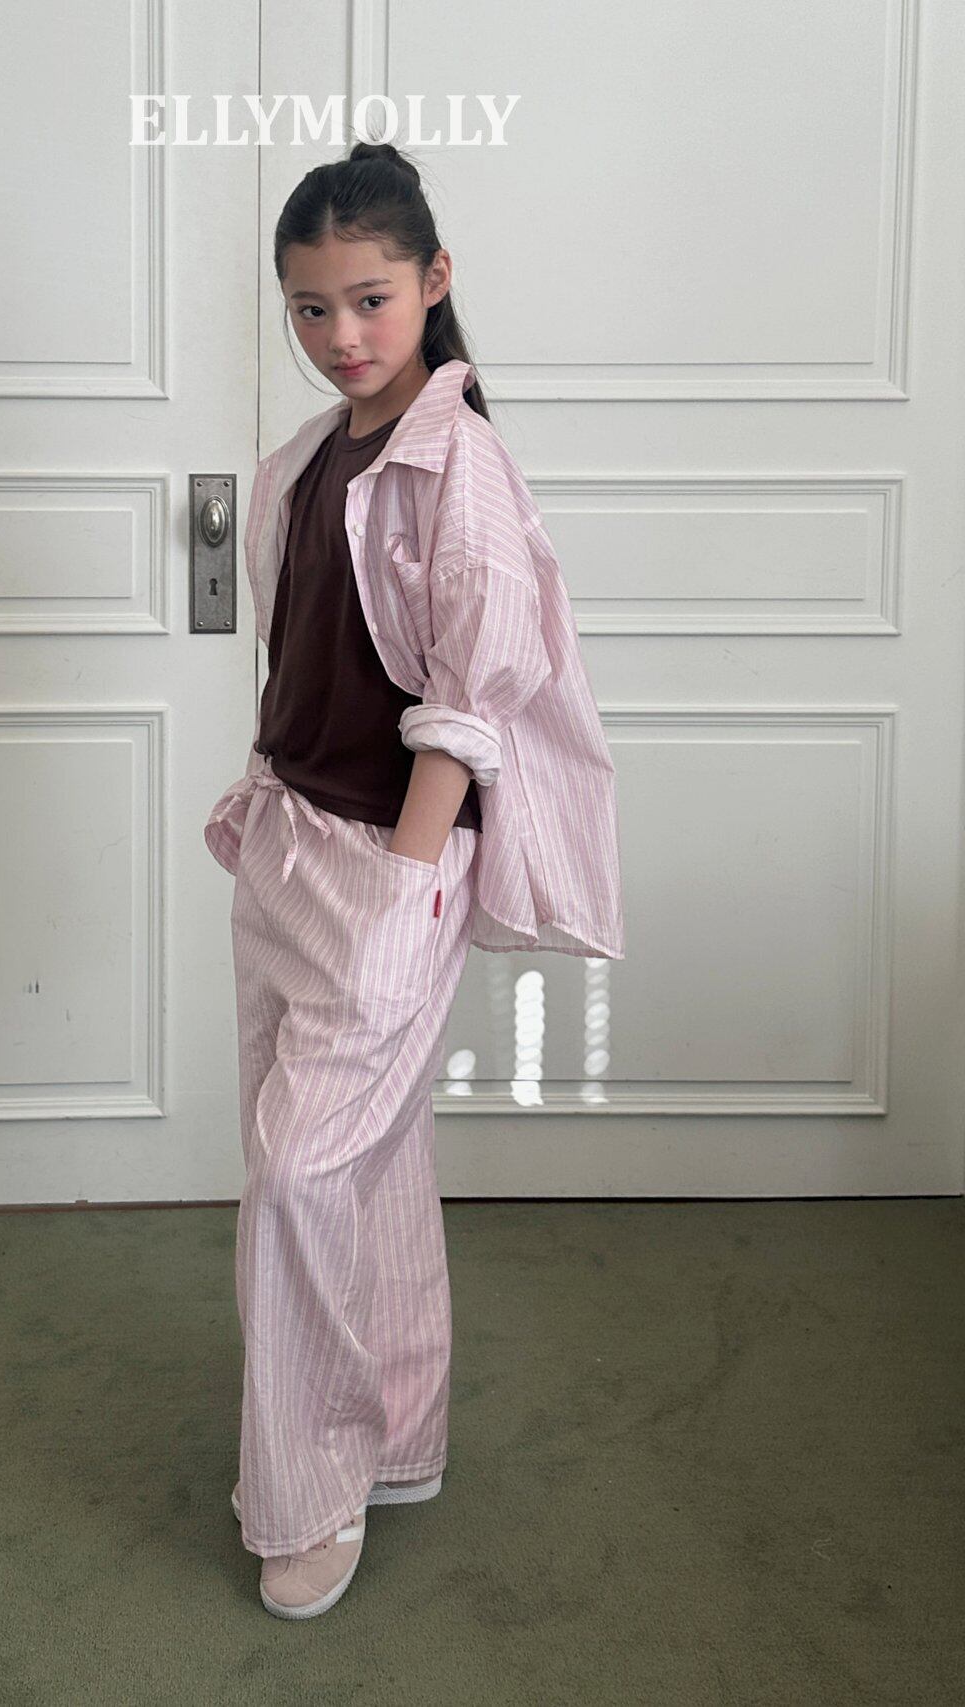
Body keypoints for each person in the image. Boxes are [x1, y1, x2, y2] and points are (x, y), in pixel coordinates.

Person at [203, 138, 625, 1619]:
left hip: (390, 863)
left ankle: (311, 1490)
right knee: (358, 1170)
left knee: (298, 1172)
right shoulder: (306, 460)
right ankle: (393, 1442)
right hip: (287, 847)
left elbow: (474, 692)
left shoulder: (463, 465)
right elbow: (305, 661)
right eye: (310, 308)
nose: (343, 336)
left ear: (435, 281)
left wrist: (406, 869)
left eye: (370, 300)